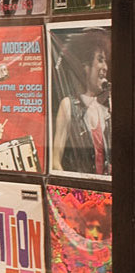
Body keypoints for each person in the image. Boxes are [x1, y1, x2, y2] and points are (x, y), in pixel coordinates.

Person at [51, 29, 110, 176]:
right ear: (85, 66)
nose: (105, 67)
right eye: (100, 60)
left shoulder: (104, 110)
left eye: (106, 61)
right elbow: (55, 161)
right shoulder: (68, 106)